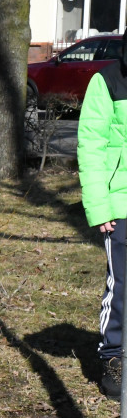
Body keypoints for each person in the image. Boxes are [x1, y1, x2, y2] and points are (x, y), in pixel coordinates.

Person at [78, 30, 127, 397]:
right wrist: (99, 206)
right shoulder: (108, 80)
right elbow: (91, 146)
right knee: (122, 285)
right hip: (119, 205)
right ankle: (113, 355)